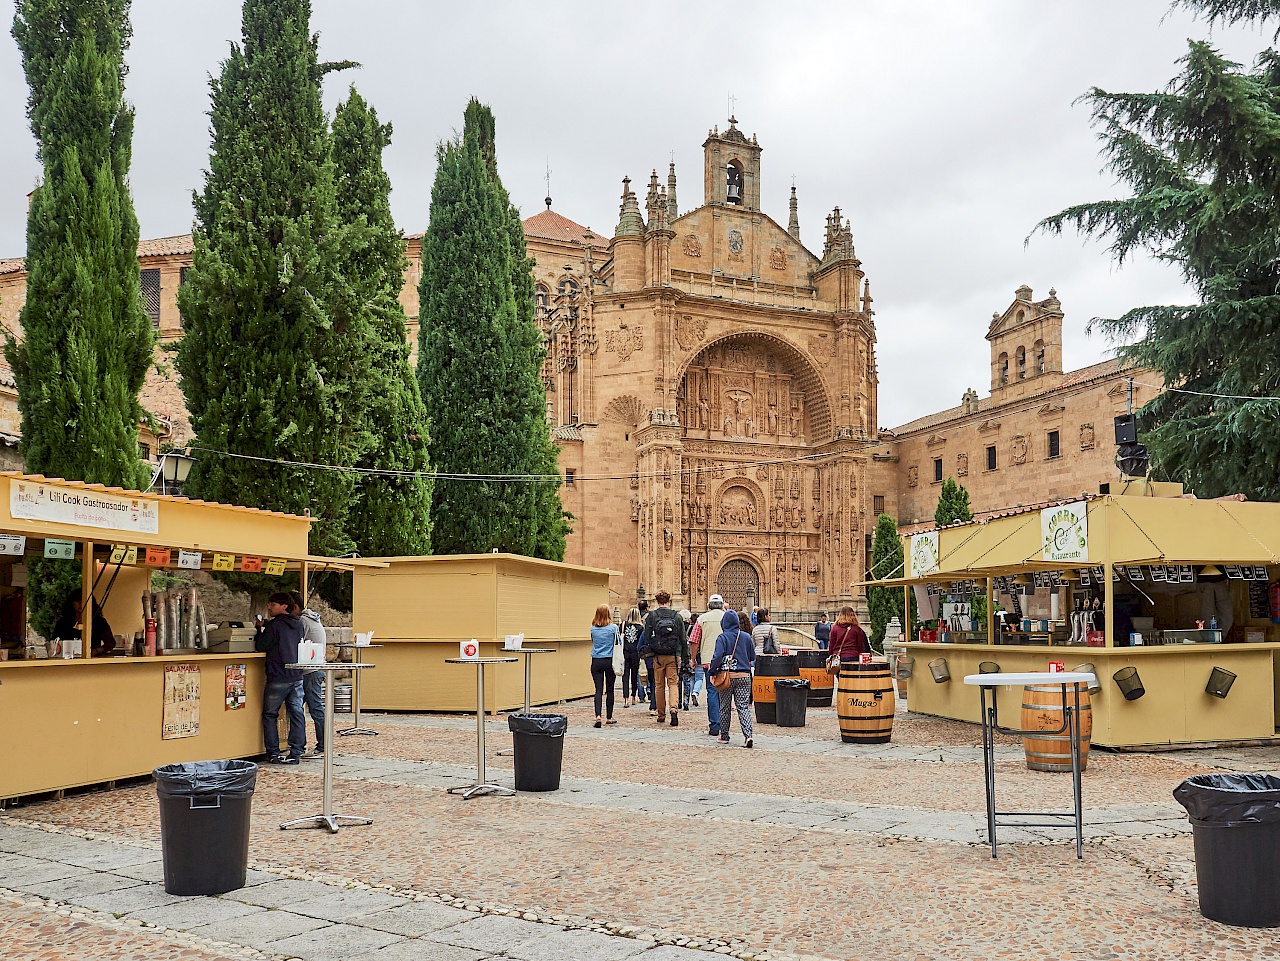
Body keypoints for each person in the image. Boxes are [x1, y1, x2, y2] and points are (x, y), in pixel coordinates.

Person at [254, 592, 306, 764]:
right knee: (296, 713)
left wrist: (259, 628)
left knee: (270, 714)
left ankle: (273, 753)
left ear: (284, 606)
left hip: (278, 676)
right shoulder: (298, 624)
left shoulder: (274, 626)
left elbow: (261, 645)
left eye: (273, 604)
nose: (269, 607)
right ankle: (296, 751)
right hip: (296, 674)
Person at [640, 590, 689, 726]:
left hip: (658, 656)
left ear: (657, 602)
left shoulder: (652, 616)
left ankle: (661, 714)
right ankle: (673, 709)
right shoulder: (677, 616)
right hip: (673, 655)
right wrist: (685, 657)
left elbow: (647, 636)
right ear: (669, 601)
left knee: (659, 685)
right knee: (673, 683)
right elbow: (683, 638)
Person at [709, 609, 756, 747]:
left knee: (724, 706)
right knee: (743, 707)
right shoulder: (746, 637)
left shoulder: (722, 638)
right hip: (744, 676)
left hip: (727, 677)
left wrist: (712, 671)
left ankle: (724, 736)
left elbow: (717, 657)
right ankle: (748, 736)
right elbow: (752, 657)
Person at [289, 590, 327, 759]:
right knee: (304, 708)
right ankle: (306, 744)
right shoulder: (313, 618)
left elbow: (296, 643)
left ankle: (323, 744)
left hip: (309, 670)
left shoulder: (303, 621)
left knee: (312, 708)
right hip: (316, 668)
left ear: (295, 607)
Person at [690, 594, 726, 736]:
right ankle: (725, 724)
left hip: (707, 661)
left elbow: (694, 641)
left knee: (711, 691)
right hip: (725, 660)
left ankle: (714, 725)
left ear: (709, 605)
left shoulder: (701, 619)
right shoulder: (727, 617)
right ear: (722, 605)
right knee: (724, 692)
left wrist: (693, 659)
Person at [589, 604, 619, 727]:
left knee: (598, 689)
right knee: (610, 689)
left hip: (596, 660)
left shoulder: (593, 629)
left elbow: (593, 641)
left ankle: (598, 716)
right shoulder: (613, 628)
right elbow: (618, 642)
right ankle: (609, 717)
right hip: (609, 660)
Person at [620, 607, 644, 707]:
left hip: (625, 652)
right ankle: (634, 696)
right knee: (634, 675)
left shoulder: (623, 625)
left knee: (625, 676)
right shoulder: (641, 627)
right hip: (635, 653)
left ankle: (626, 698)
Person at [678, 609, 696, 710]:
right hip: (687, 656)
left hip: (678, 656)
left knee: (678, 681)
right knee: (687, 680)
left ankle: (679, 702)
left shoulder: (677, 627)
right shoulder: (691, 628)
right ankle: (686, 702)